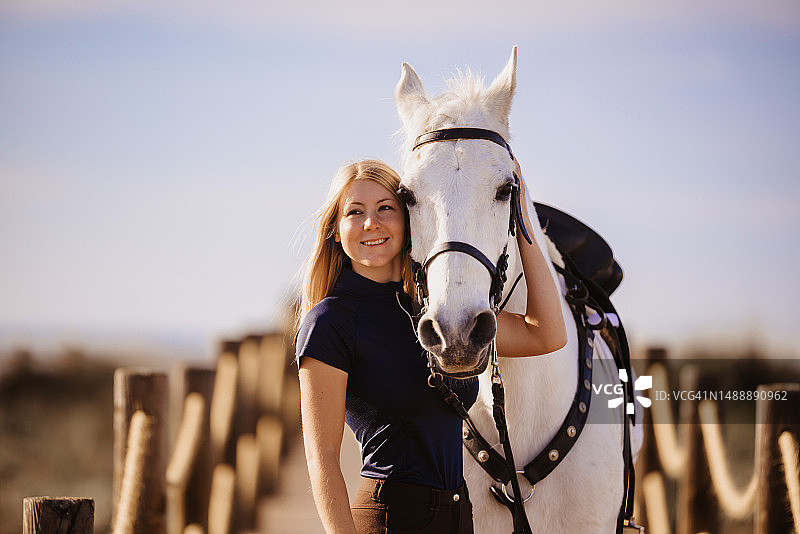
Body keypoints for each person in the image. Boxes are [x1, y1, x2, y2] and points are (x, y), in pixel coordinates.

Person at [296, 159, 567, 534]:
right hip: (391, 519)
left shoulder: (436, 318)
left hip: (457, 517)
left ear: (409, 218)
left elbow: (547, 334)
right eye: (354, 212)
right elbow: (321, 457)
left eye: (385, 208)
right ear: (336, 231)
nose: (370, 223)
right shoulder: (330, 322)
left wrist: (520, 218)